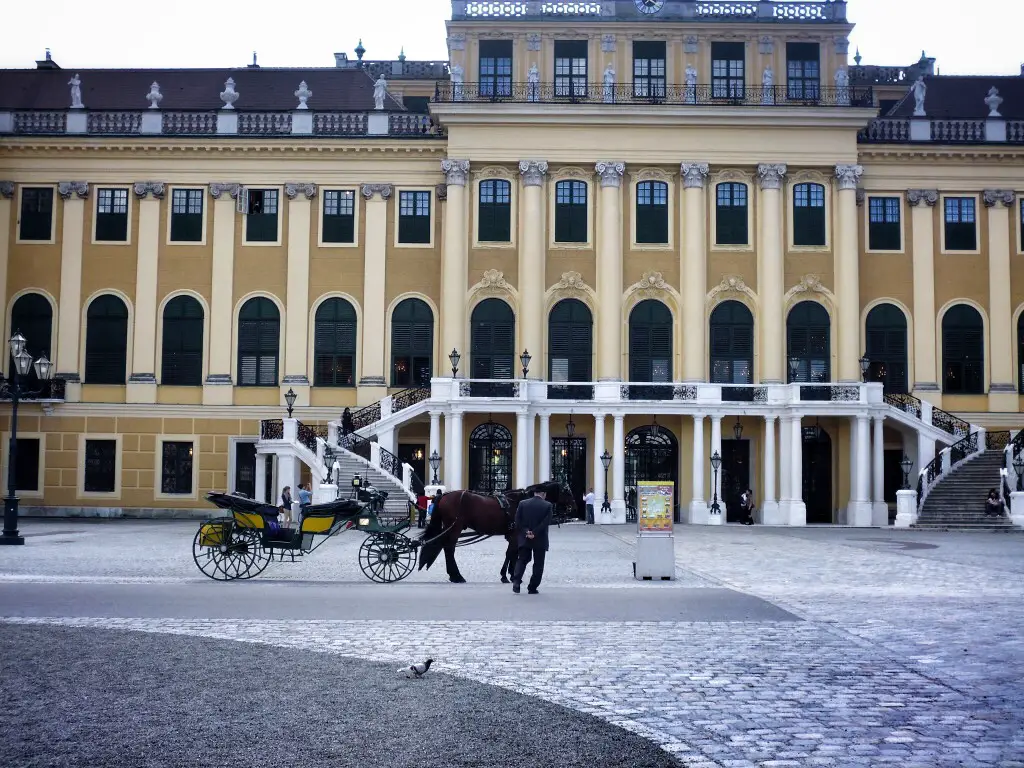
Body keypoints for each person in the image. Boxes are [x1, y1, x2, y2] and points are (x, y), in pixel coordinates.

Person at [511, 487, 553, 595]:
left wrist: (527, 532)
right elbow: (546, 522)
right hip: (540, 539)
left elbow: (517, 520)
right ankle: (532, 587)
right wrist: (534, 532)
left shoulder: (522, 503)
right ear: (543, 494)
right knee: (538, 564)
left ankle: (516, 581)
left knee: (522, 560)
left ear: (534, 493)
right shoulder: (547, 505)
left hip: (525, 538)